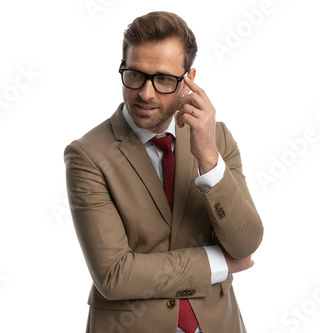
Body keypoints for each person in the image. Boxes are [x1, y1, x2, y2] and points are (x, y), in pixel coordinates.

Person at [64, 11, 263, 333]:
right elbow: (114, 276)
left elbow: (245, 245)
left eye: (164, 79)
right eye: (135, 75)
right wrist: (217, 263)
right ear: (122, 67)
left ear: (189, 79)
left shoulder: (217, 137)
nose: (146, 93)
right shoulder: (88, 155)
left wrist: (209, 160)